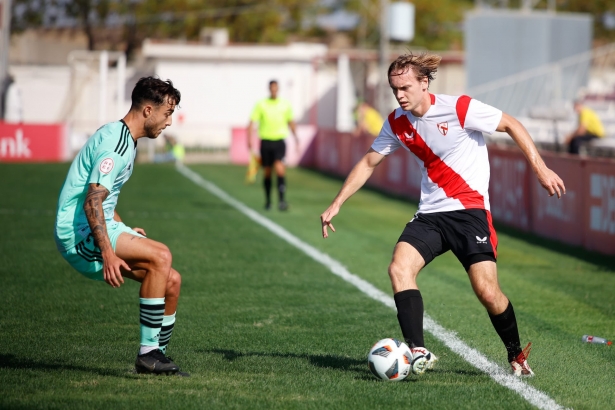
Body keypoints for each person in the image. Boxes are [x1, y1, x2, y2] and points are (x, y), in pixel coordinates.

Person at [320, 53, 566, 377]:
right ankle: (417, 350)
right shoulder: (396, 122)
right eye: (395, 89)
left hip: (470, 212)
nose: (400, 95)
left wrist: (541, 167)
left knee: (487, 292)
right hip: (431, 214)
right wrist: (338, 202)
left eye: (405, 87)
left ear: (424, 83)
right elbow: (369, 162)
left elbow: (511, 124)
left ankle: (516, 355)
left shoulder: (459, 108)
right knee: (398, 268)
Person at [54, 77, 187, 376]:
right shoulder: (117, 144)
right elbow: (92, 202)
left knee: (171, 280)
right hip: (78, 234)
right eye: (167, 114)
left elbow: (105, 201)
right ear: (148, 110)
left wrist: (124, 229)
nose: (168, 122)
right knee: (162, 255)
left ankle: (157, 358)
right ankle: (148, 353)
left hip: (94, 226)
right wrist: (109, 253)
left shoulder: (123, 137)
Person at [247, 80, 299, 211]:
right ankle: (268, 201)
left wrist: (296, 137)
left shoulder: (285, 104)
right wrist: (249, 138)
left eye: (276, 88)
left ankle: (282, 201)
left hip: (279, 141)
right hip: (265, 141)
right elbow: (252, 121)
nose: (274, 90)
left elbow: (290, 121)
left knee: (280, 168)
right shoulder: (262, 104)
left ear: (278, 89)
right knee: (267, 172)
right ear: (269, 89)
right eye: (272, 88)